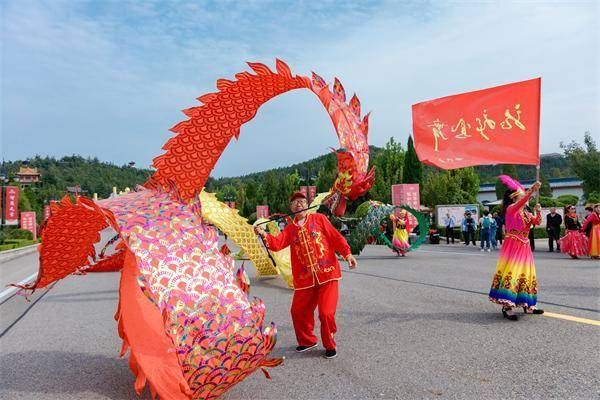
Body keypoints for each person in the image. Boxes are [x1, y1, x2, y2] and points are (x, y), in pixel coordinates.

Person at [254, 191, 357, 359]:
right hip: (305, 279)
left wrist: (347, 254)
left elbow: (335, 237)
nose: (298, 204)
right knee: (297, 311)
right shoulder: (290, 229)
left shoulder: (319, 219)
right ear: (291, 207)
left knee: (326, 313)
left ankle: (330, 344)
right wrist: (263, 234)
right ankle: (307, 340)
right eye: (295, 202)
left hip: (327, 275)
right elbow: (277, 244)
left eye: (302, 201)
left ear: (308, 205)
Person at [489, 178, 543, 320]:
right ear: (515, 198)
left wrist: (538, 212)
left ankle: (527, 304)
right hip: (514, 243)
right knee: (513, 272)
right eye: (521, 195)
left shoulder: (526, 212)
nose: (524, 198)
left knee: (527, 273)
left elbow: (537, 222)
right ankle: (507, 306)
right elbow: (522, 202)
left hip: (525, 244)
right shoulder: (511, 209)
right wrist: (532, 189)